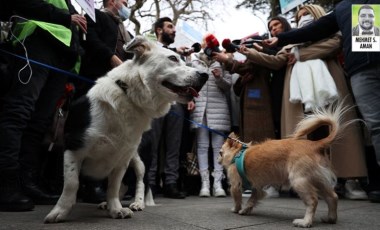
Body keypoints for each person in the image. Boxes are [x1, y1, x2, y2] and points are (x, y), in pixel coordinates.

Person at [264, 0, 380, 203]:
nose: (302, 21)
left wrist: (301, 54)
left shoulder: (359, 10)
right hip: (345, 78)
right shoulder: (346, 7)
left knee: (340, 131)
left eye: (306, 17)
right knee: (376, 125)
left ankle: (349, 177)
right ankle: (312, 181)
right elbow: (366, 47)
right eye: (299, 19)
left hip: (333, 85)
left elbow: (340, 43)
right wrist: (272, 43)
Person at [0, 0, 86, 212]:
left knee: (40, 122)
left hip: (62, 55)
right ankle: (6, 184)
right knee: (19, 112)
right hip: (36, 44)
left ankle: (28, 182)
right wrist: (66, 18)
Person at [73, 0, 133, 203]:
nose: (126, 5)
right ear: (112, 1)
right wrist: (111, 57)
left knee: (108, 136)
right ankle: (85, 185)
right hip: (94, 82)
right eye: (124, 1)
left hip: (116, 89)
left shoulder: (124, 29)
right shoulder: (95, 16)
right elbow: (90, 39)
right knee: (90, 134)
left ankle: (100, 185)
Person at [147, 17, 193, 199]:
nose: (174, 30)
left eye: (174, 26)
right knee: (153, 143)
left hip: (175, 104)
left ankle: (170, 183)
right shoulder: (150, 48)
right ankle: (149, 183)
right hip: (155, 101)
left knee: (174, 144)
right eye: (169, 26)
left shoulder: (179, 56)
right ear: (159, 30)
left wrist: (189, 95)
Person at [190, 34, 231, 197]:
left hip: (218, 108)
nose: (207, 46)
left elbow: (228, 86)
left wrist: (219, 78)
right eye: (206, 43)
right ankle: (204, 184)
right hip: (200, 108)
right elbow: (189, 83)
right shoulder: (194, 61)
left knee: (218, 148)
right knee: (202, 146)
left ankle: (218, 183)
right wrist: (190, 99)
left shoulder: (222, 60)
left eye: (210, 43)